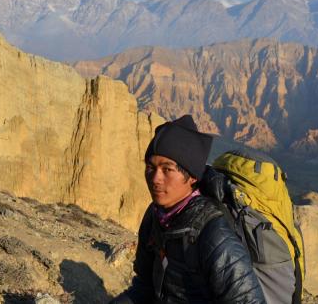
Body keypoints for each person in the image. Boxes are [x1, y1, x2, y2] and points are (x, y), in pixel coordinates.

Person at [110, 115, 266, 304]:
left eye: (167, 169)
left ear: (191, 176)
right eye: (150, 167)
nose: (155, 178)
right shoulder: (155, 217)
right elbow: (145, 286)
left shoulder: (214, 235)